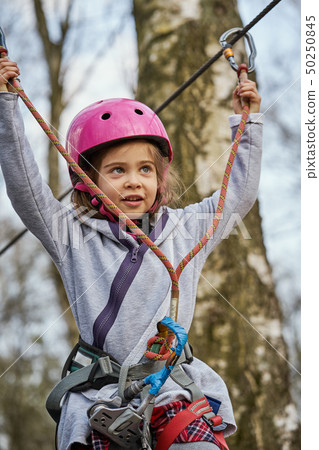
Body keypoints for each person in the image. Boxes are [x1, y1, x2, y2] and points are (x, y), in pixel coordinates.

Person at [0, 56, 262, 450]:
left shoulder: (185, 230)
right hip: (101, 400)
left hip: (172, 390)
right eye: (117, 171)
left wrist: (248, 126)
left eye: (145, 169)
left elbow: (236, 197)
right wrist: (6, 104)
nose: (134, 181)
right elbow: (26, 189)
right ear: (86, 180)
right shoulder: (70, 235)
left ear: (160, 178)